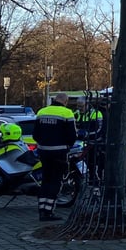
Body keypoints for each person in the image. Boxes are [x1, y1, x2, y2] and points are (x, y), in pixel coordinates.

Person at [34, 92, 77, 221]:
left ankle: (41, 209)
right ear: (65, 101)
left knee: (45, 180)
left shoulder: (41, 112)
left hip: (43, 152)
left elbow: (35, 135)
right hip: (59, 152)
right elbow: (72, 136)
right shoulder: (67, 113)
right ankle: (48, 211)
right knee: (56, 181)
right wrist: (67, 145)